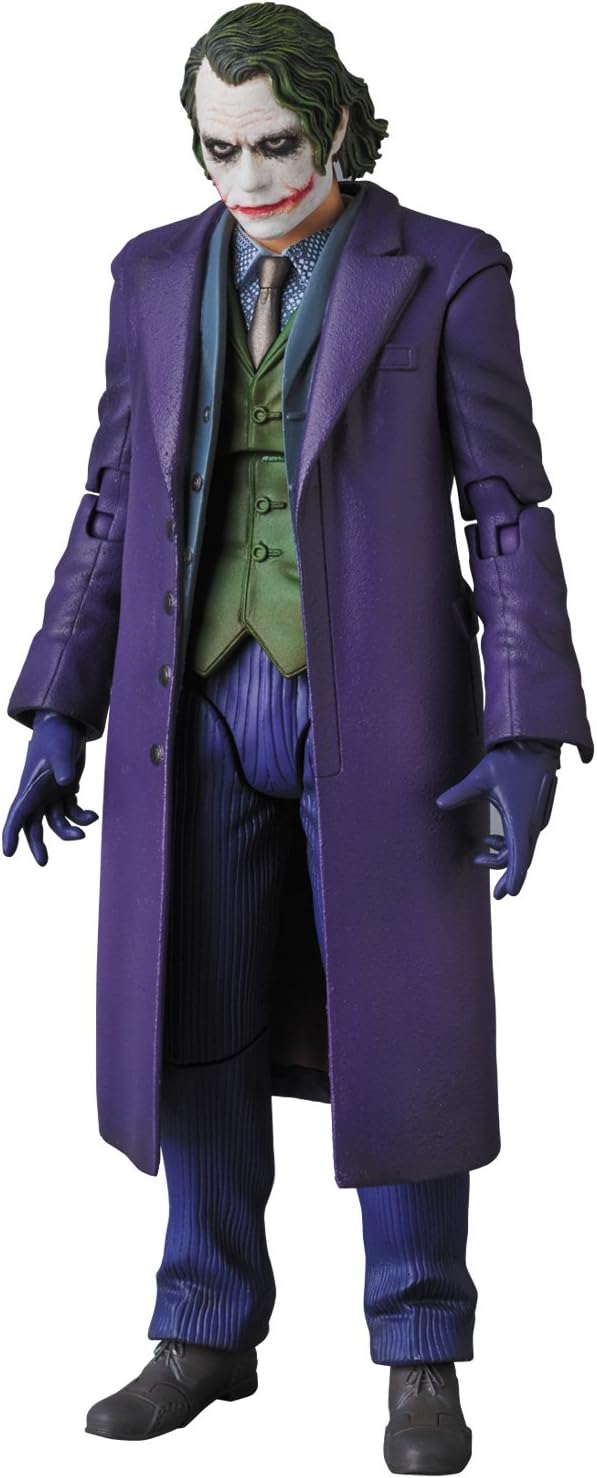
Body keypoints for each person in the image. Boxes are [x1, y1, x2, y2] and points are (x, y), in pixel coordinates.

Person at [3, 4, 592, 1472]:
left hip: (380, 714)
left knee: (404, 1027)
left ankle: (420, 1347)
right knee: (191, 1014)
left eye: (274, 143)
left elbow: (506, 510)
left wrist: (525, 725)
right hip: (190, 708)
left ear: (335, 123)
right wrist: (61, 701)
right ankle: (203, 1323)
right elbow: (109, 503)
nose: (250, 177)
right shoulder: (152, 275)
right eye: (219, 149)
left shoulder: (445, 270)